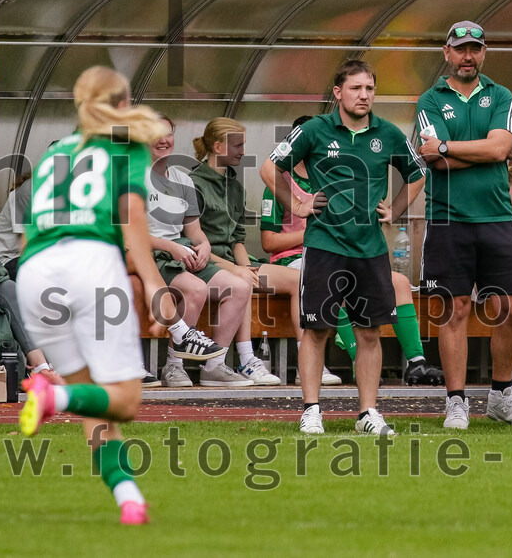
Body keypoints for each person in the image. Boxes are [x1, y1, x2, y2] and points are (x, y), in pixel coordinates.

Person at [17, 65, 178, 525]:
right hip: (92, 267)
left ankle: (128, 496)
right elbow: (133, 223)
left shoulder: (55, 154)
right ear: (123, 103)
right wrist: (155, 286)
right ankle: (53, 399)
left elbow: (30, 236)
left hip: (36, 272)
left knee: (93, 397)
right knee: (124, 400)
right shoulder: (126, 145)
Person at [266, 59, 426, 436]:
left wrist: (396, 210)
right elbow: (270, 168)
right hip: (324, 246)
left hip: (370, 249)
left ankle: (367, 413)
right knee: (317, 331)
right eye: (356, 88)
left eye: (369, 88)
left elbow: (418, 173)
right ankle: (311, 410)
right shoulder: (314, 130)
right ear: (338, 93)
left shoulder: (388, 133)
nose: (364, 95)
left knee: (370, 334)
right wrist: (299, 205)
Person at [416, 20, 512, 430]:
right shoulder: (430, 99)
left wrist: (450, 147)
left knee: (511, 307)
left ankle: (502, 396)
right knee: (455, 309)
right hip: (447, 219)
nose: (468, 56)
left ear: (483, 52)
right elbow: (433, 160)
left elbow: (502, 147)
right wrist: (479, 152)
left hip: (497, 217)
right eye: (460, 49)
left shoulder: (501, 94)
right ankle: (456, 402)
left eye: (475, 49)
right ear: (446, 53)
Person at [260, 115, 443, 387]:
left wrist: (393, 210)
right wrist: (310, 218)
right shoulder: (281, 184)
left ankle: (416, 362)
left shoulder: (344, 175)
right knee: (337, 287)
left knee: (401, 283)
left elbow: (417, 173)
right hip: (297, 258)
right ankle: (355, 360)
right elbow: (269, 242)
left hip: (352, 252)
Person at [145, 115, 253, 387]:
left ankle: (214, 366)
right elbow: (128, 234)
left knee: (240, 287)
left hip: (182, 252)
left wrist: (203, 246)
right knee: (195, 289)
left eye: (168, 134)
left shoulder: (182, 178)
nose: (164, 139)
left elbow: (193, 231)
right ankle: (174, 365)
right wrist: (171, 247)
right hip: (151, 255)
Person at [190, 117, 289, 386]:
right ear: (218, 146)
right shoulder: (193, 184)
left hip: (234, 263)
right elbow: (190, 244)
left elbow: (238, 240)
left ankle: (311, 364)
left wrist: (245, 265)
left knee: (299, 280)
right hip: (205, 263)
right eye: (238, 145)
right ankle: (245, 359)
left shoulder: (236, 186)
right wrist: (237, 269)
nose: (243, 151)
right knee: (243, 280)